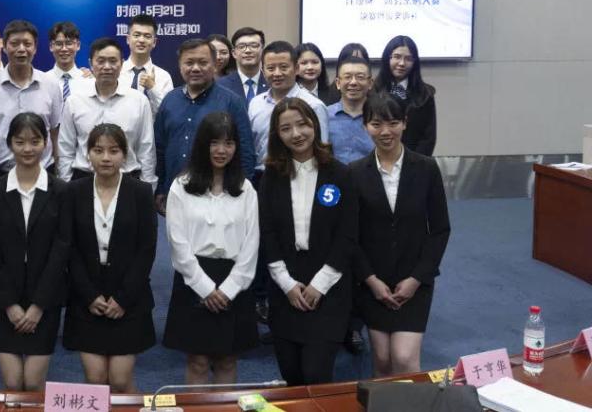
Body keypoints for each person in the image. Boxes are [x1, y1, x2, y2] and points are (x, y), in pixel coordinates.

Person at [259, 98, 357, 385]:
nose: (296, 134)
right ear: (277, 134)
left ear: (314, 125)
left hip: (328, 284)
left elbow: (348, 234)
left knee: (315, 374)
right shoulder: (271, 176)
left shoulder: (340, 174)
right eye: (286, 128)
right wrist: (287, 284)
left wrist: (320, 284)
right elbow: (267, 232)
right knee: (291, 375)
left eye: (302, 124)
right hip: (285, 284)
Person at [351, 93, 450, 376]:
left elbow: (440, 229)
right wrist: (371, 281)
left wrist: (416, 279)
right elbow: (350, 235)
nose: (386, 132)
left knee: (404, 359)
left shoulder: (426, 168)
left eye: (393, 123)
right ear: (365, 126)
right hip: (374, 281)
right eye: (376, 124)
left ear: (405, 123)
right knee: (382, 361)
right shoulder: (354, 173)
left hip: (414, 278)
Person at [163, 112, 259, 384]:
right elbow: (177, 243)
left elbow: (251, 244)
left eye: (228, 143)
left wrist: (229, 289)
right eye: (214, 142)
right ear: (202, 144)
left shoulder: (245, 189)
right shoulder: (181, 186)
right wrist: (204, 288)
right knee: (198, 361)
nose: (221, 150)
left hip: (234, 281)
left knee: (227, 359)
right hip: (193, 278)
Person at [62, 124, 157, 392]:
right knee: (95, 379)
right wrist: (88, 295)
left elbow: (146, 249)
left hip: (128, 293)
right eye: (98, 150)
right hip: (87, 294)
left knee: (119, 380)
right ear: (88, 154)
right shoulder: (74, 191)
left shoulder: (140, 192)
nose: (106, 158)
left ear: (124, 155)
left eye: (114, 151)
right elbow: (69, 248)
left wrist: (124, 298)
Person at [0, 113, 69, 391]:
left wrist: (38, 306)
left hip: (45, 297)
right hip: (4, 297)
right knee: (11, 382)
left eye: (35, 141)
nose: (28, 149)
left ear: (46, 143)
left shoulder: (61, 191)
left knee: (32, 383)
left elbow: (61, 249)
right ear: (9, 143)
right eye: (20, 142)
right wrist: (9, 304)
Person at [154, 38, 256, 215]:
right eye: (189, 63)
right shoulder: (170, 100)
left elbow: (246, 151)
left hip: (220, 196)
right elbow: (160, 149)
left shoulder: (232, 102)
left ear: (215, 65)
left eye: (203, 62)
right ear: (180, 66)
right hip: (175, 193)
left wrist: (239, 193)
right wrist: (161, 188)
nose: (195, 68)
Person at [57, 37, 156, 185]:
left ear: (122, 64)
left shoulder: (139, 101)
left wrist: (148, 187)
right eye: (101, 61)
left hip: (127, 180)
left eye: (113, 61)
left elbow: (146, 149)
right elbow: (66, 148)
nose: (107, 67)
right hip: (83, 180)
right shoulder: (74, 101)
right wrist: (66, 186)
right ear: (91, 64)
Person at [0, 20, 63, 175]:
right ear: (4, 46)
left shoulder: (51, 85)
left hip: (42, 172)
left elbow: (55, 133)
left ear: (35, 48)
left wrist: (59, 172)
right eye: (14, 44)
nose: (21, 49)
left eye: (27, 44)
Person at [249, 41, 330, 184]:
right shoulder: (255, 103)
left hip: (301, 178)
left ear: (296, 69)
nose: (277, 73)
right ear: (263, 70)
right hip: (261, 178)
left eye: (284, 67)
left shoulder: (314, 105)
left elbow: (321, 150)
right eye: (271, 68)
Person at [375, 36, 437, 156]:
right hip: (378, 159)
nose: (402, 63)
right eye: (397, 57)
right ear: (387, 58)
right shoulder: (373, 91)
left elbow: (428, 138)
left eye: (408, 59)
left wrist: (413, 162)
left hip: (414, 161)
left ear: (415, 62)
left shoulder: (425, 94)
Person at [121, 14, 174, 116]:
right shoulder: (116, 72)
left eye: (147, 36)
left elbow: (168, 114)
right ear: (128, 39)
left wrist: (152, 88)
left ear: (154, 42)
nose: (141, 40)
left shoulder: (163, 76)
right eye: (136, 35)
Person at [326, 55, 375, 164]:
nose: (353, 82)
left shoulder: (379, 116)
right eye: (347, 77)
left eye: (360, 77)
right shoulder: (325, 115)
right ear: (338, 83)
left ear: (370, 83)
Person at [218, 27, 268, 107]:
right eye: (241, 46)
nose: (248, 51)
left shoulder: (271, 82)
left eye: (254, 46)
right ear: (234, 53)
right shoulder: (221, 85)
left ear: (262, 50)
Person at [46, 21, 92, 101]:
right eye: (59, 44)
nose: (64, 49)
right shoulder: (43, 81)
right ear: (51, 46)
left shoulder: (89, 80)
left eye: (69, 43)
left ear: (78, 45)